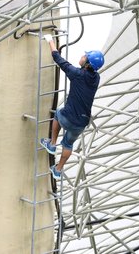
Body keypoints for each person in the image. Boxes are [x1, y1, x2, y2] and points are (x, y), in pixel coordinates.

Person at [39, 34, 104, 180]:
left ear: (87, 63)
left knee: (58, 113)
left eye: (84, 56)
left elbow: (58, 58)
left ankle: (52, 143)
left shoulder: (77, 74)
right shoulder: (96, 78)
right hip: (82, 122)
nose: (82, 56)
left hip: (68, 117)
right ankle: (58, 170)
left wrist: (50, 40)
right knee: (68, 143)